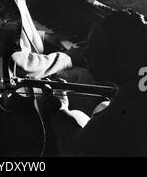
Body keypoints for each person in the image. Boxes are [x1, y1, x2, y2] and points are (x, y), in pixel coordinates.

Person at [49, 10, 147, 156]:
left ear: (121, 58)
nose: (84, 54)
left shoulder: (124, 110)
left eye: (95, 49)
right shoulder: (139, 78)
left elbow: (73, 149)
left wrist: (60, 108)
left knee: (74, 114)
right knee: (102, 105)